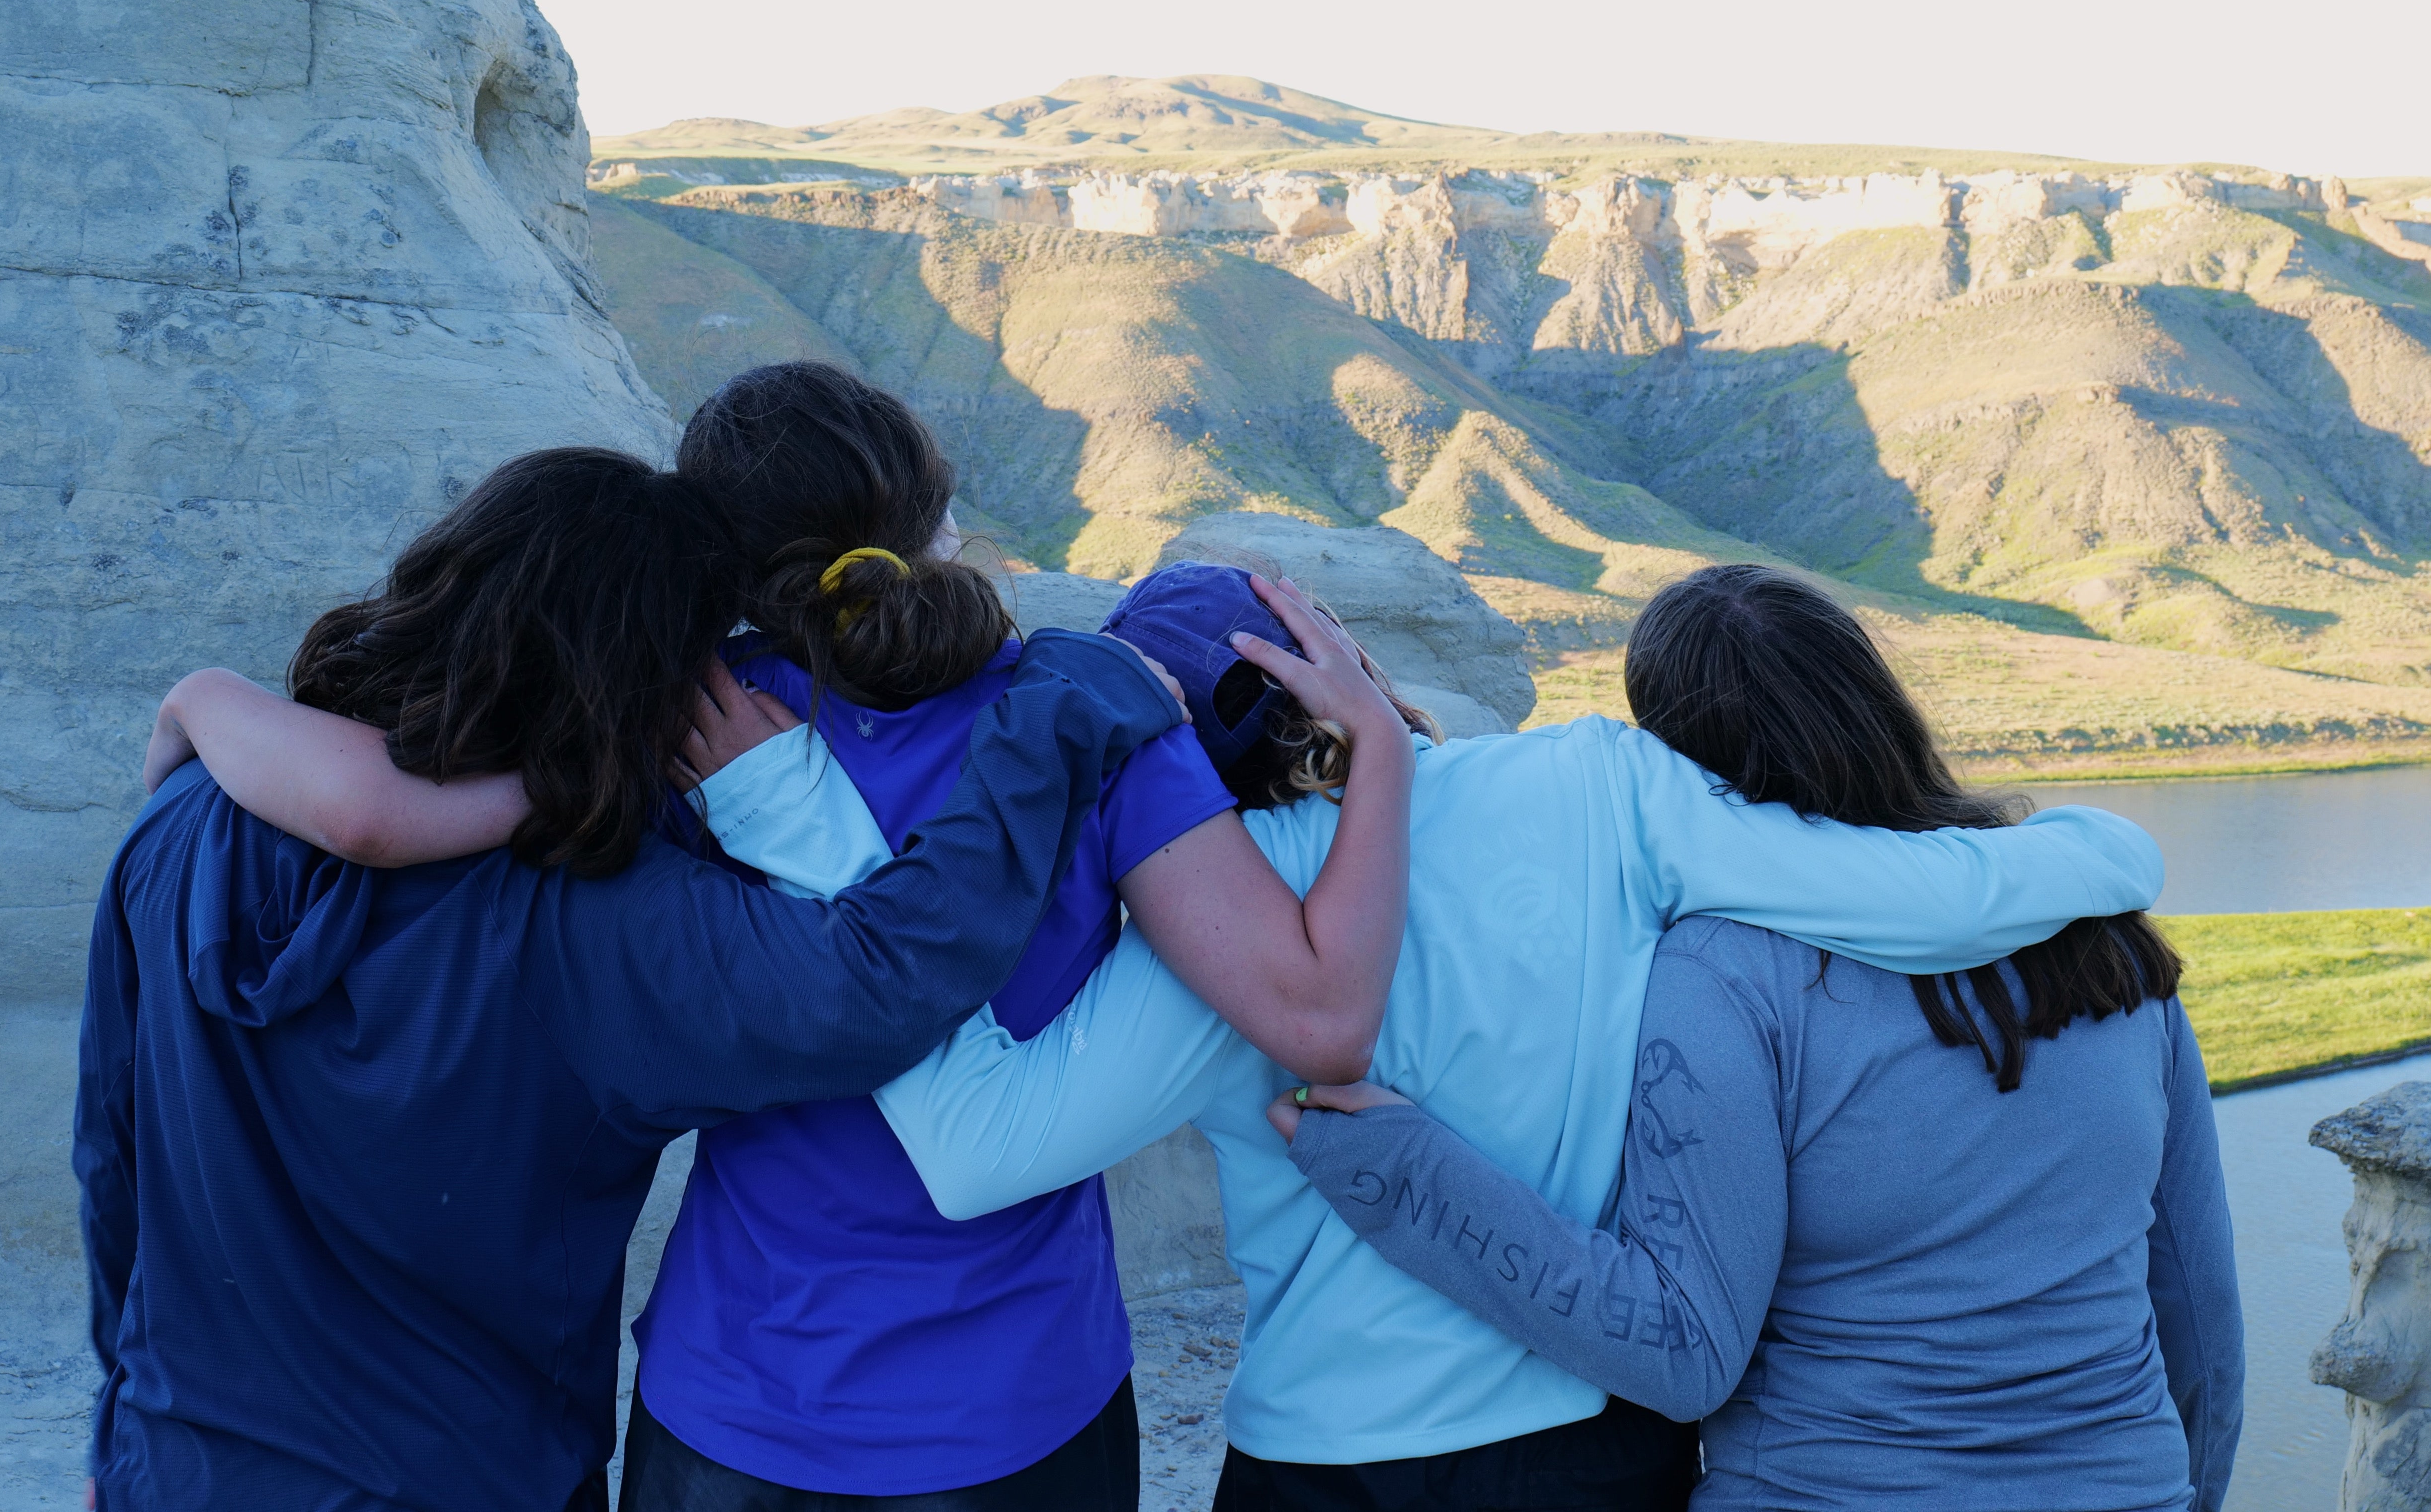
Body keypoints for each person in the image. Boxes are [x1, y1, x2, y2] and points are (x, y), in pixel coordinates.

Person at [151, 365, 1419, 1512]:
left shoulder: (656, 734)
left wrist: (205, 700)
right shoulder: (1087, 720)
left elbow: (380, 814)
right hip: (1016, 1400)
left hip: (735, 1400)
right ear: (927, 524)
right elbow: (1314, 1018)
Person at [691, 566, 2169, 1512]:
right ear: (1333, 658)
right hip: (1587, 1452)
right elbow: (1922, 890)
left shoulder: (1216, 932)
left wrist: (814, 844)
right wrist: (2109, 849)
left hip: (1320, 1469)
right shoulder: (1601, 788)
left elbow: (972, 1150)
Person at [1277, 565, 2246, 1512]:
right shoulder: (2101, 937)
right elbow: (2200, 1318)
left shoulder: (1724, 976)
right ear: (1877, 702)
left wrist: (1398, 1171)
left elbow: (1682, 1351)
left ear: (1680, 766)